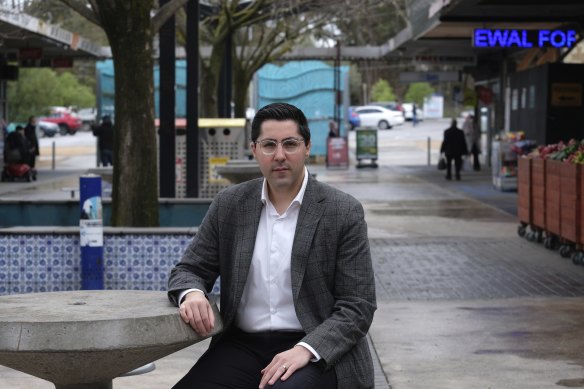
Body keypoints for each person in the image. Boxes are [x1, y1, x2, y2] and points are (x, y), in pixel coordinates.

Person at [167, 102, 376, 389]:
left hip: (315, 346)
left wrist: (307, 349)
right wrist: (192, 294)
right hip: (241, 346)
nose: (280, 155)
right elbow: (189, 269)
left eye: (290, 144)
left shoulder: (342, 211)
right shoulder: (230, 204)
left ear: (307, 147)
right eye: (269, 145)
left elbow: (358, 305)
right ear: (254, 150)